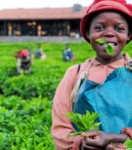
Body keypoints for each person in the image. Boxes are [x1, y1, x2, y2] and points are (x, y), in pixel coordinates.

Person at [52, 0, 132, 149]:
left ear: (129, 35)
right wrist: (82, 144)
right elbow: (60, 126)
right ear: (89, 34)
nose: (109, 33)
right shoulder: (74, 73)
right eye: (99, 27)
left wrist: (114, 139)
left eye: (119, 28)